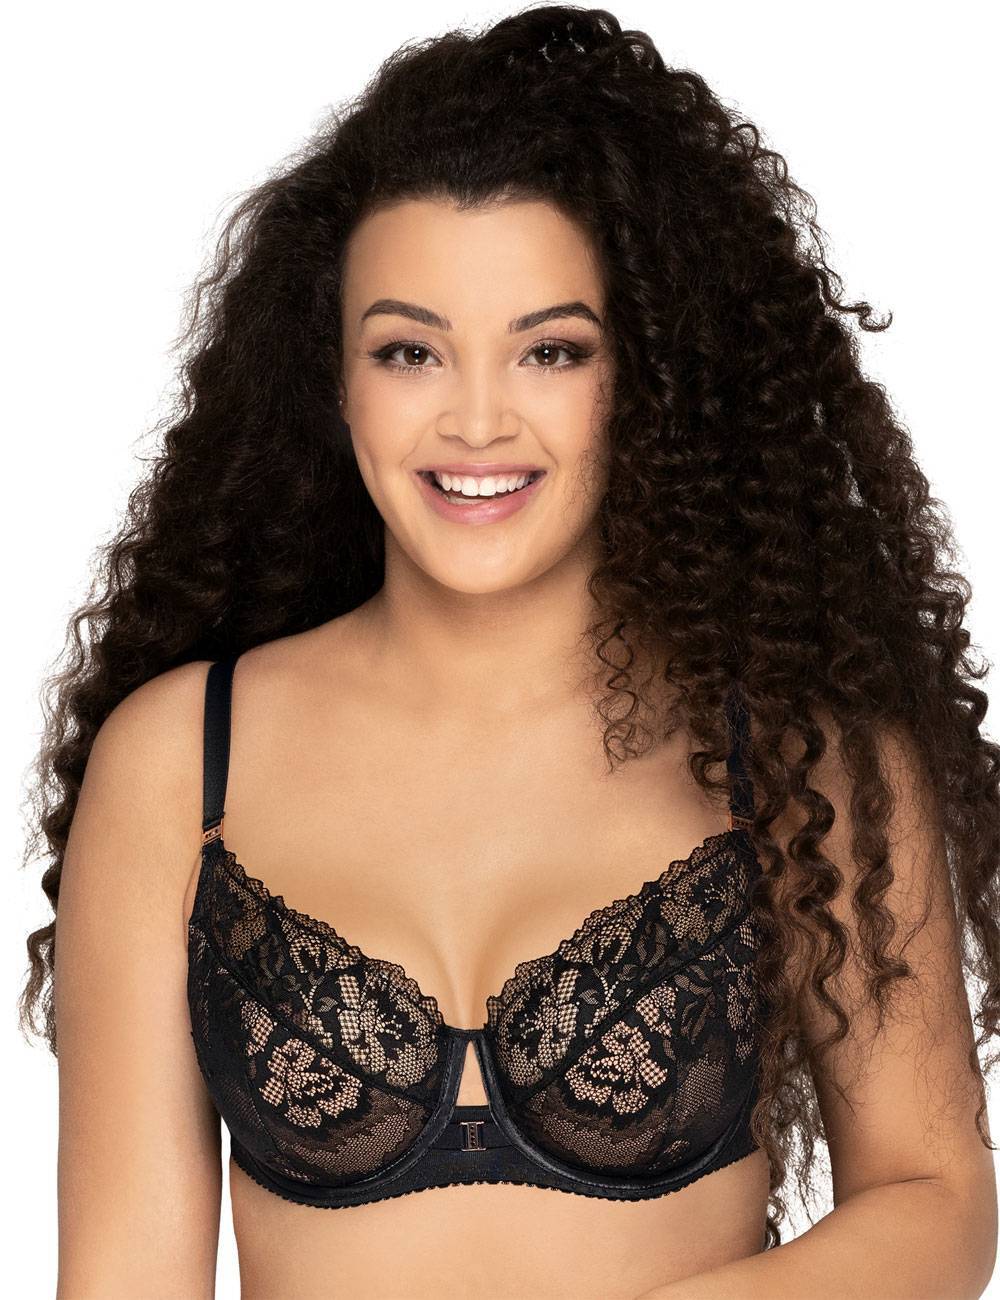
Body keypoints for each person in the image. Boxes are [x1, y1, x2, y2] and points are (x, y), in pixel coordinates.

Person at [20, 5, 998, 1298]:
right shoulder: (181, 762)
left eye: (550, 350)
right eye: (410, 351)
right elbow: (123, 1279)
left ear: (645, 375)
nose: (476, 421)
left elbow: (935, 1201)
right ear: (335, 381)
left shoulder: (801, 758)